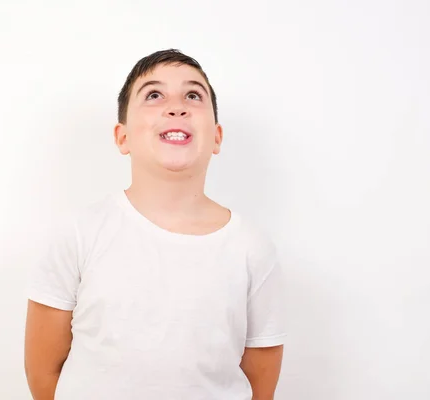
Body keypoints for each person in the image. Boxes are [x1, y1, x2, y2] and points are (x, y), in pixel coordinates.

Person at [24, 49, 286, 399]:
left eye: (193, 95)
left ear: (217, 136)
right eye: (154, 95)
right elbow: (43, 370)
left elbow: (261, 379)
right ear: (123, 137)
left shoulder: (252, 249)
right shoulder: (78, 234)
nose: (176, 107)